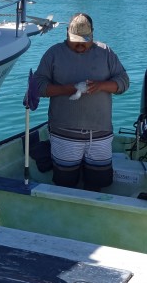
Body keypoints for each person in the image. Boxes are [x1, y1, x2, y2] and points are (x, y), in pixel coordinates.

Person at [34, 13, 129, 191]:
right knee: (65, 185)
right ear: (66, 33)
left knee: (99, 184)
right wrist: (69, 89)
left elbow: (124, 82)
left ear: (93, 34)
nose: (80, 46)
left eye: (85, 41)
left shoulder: (106, 52)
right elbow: (38, 86)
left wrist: (101, 86)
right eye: (75, 41)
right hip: (64, 135)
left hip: (100, 135)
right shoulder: (54, 53)